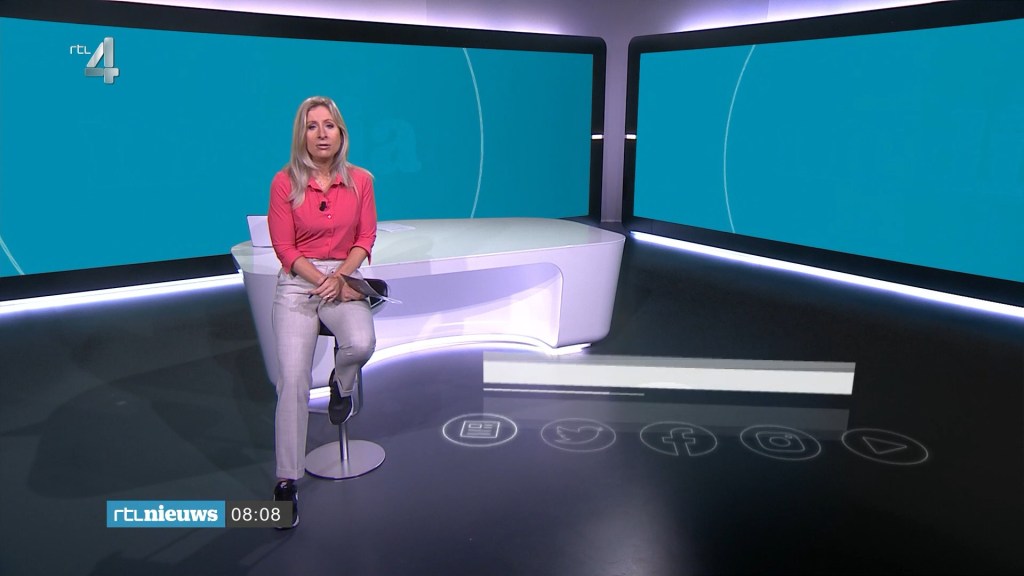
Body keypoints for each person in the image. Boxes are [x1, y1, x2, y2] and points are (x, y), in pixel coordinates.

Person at [267, 96, 377, 529]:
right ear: (302, 135)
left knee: (361, 343)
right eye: (312, 127)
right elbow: (284, 248)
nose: (321, 134)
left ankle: (341, 384)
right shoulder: (284, 183)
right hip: (299, 281)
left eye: (328, 125)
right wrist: (321, 279)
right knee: (293, 380)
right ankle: (286, 481)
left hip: (344, 275)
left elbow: (365, 237)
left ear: (341, 132)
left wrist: (342, 276)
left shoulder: (362, 181)